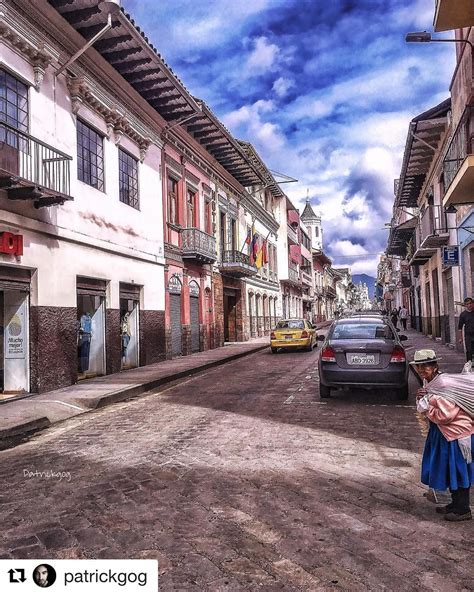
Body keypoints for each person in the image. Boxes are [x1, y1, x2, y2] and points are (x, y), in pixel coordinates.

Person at [412, 349, 473, 522]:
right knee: (449, 468)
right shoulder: (430, 382)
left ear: (435, 366)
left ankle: (463, 510)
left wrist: (427, 404)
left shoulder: (443, 384)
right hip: (443, 433)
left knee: (459, 470)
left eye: (426, 365)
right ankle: (455, 504)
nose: (423, 369)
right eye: (419, 366)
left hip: (456, 433)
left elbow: (447, 415)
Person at [458, 297, 474, 363]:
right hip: (468, 335)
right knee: (469, 350)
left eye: (470, 303)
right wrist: (460, 338)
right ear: (465, 305)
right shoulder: (463, 315)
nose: (469, 305)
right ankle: (469, 364)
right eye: (467, 304)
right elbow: (460, 327)